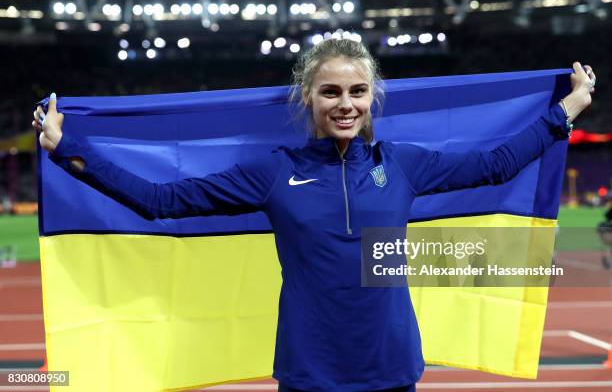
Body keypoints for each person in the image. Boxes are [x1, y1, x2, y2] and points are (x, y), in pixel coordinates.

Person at [33, 39, 596, 392]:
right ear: (308, 99)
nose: (344, 103)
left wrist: (567, 109)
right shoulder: (273, 171)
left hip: (392, 363)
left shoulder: (404, 165)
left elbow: (497, 165)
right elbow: (163, 201)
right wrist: (68, 149)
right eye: (330, 92)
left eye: (356, 91)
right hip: (310, 369)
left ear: (373, 98)